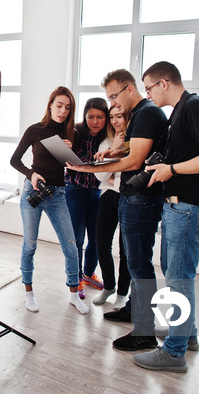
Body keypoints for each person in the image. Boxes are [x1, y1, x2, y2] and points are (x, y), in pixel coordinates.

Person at [132, 61, 199, 373]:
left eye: (148, 87)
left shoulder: (194, 106)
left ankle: (174, 352)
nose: (148, 94)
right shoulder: (180, 113)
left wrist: (170, 170)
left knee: (178, 280)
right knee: (176, 274)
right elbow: (192, 156)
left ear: (164, 82)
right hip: (179, 207)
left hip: (190, 209)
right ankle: (188, 334)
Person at [67, 69, 167, 351]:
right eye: (109, 97)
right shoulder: (141, 115)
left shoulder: (146, 114)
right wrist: (111, 152)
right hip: (134, 196)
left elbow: (135, 161)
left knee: (139, 264)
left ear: (130, 89)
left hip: (142, 198)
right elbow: (134, 151)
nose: (112, 102)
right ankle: (134, 310)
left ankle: (144, 330)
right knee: (135, 260)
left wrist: (89, 167)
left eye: (114, 95)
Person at [10, 86, 90, 315]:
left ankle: (74, 294)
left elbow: (79, 166)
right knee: (30, 244)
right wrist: (31, 174)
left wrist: (70, 152)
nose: (63, 111)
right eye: (59, 105)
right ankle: (29, 292)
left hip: (58, 195)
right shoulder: (35, 130)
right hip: (32, 191)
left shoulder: (71, 133)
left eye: (67, 107)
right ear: (50, 105)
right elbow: (15, 160)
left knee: (71, 246)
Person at [65, 98, 109, 299]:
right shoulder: (74, 132)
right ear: (84, 116)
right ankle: (76, 280)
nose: (95, 121)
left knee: (97, 239)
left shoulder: (110, 136)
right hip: (75, 190)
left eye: (100, 117)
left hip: (99, 193)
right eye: (90, 117)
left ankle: (89, 273)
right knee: (77, 239)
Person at [92, 106, 131, 308]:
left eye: (120, 116)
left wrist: (114, 173)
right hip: (108, 197)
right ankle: (109, 286)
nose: (116, 121)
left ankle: (123, 293)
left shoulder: (137, 141)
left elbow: (127, 175)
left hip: (128, 198)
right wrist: (114, 150)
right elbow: (100, 176)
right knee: (101, 244)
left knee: (126, 250)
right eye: (112, 117)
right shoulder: (106, 143)